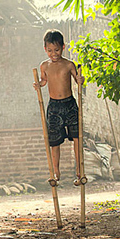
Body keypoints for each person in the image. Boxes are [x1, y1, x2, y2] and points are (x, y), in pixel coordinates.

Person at [33, 29, 85, 185]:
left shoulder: (69, 64)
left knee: (77, 137)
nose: (53, 53)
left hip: (69, 104)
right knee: (54, 141)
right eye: (49, 50)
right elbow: (44, 81)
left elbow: (78, 80)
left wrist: (81, 79)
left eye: (56, 50)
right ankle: (56, 171)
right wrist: (39, 85)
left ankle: (79, 170)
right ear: (45, 49)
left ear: (63, 47)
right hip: (54, 106)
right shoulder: (44, 66)